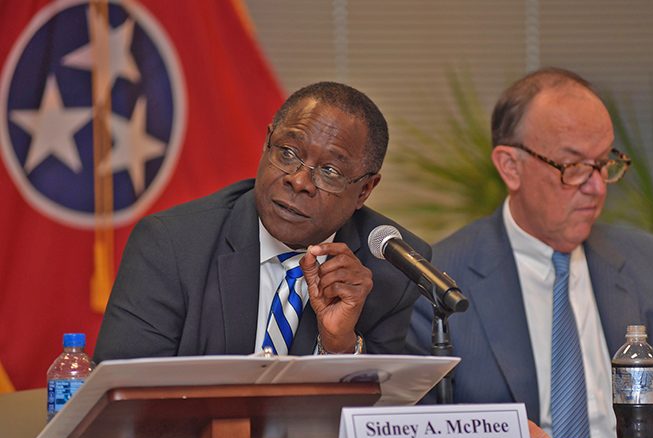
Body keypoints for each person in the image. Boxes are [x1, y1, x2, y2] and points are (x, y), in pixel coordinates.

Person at [408, 68, 653, 438]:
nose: (596, 187)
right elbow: (418, 432)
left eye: (604, 163)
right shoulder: (437, 279)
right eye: (574, 167)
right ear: (510, 166)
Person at [95, 81, 430, 363]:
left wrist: (339, 346)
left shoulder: (390, 270)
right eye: (288, 153)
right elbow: (122, 397)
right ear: (267, 143)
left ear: (365, 190)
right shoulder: (172, 245)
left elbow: (386, 413)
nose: (299, 181)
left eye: (330, 171)